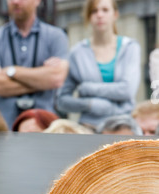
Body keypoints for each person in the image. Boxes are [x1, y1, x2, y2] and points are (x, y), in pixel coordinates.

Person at [0, 0, 69, 129]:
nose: (15, 2)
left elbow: (56, 78)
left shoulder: (56, 36)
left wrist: (12, 71)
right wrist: (41, 79)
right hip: (3, 130)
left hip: (44, 129)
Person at [56, 0, 141, 131]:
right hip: (88, 128)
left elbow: (127, 90)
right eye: (94, 11)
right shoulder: (77, 53)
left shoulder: (130, 47)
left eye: (105, 10)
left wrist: (88, 88)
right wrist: (89, 104)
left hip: (123, 129)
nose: (99, 15)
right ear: (88, 16)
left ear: (115, 14)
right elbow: (62, 101)